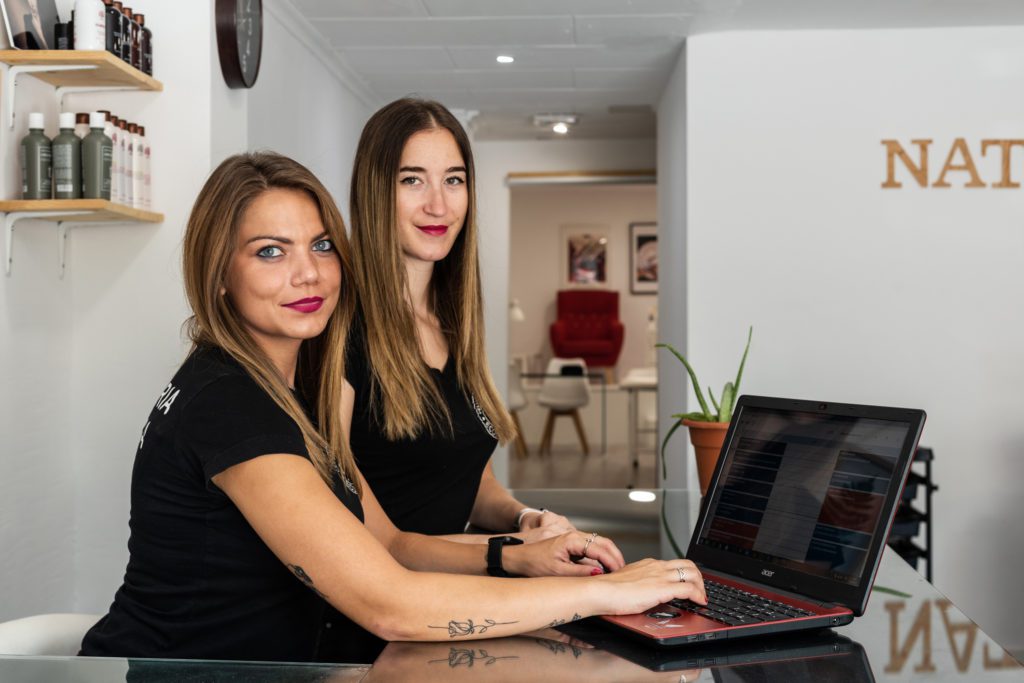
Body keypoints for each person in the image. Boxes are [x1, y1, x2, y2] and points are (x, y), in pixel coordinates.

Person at [79, 152, 705, 664]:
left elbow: (388, 542)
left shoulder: (292, 391)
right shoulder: (231, 405)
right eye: (271, 251)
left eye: (322, 246)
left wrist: (516, 554)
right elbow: (391, 605)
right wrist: (609, 593)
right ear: (219, 274)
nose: (308, 274)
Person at [347, 98, 573, 542]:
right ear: (375, 190)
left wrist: (526, 519)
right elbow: (374, 542)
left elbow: (470, 483)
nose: (439, 205)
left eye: (454, 180)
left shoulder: (452, 322)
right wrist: (510, 554)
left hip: (458, 577)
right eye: (412, 180)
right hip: (388, 584)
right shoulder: (339, 328)